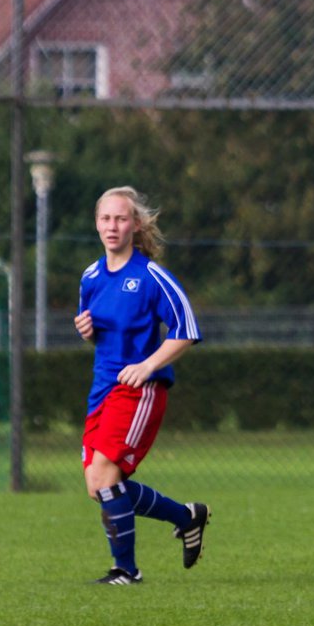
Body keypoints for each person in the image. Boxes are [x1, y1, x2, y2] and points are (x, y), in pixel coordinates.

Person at [75, 186, 208, 585]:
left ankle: (126, 571)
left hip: (139, 390)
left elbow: (187, 330)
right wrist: (85, 331)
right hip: (103, 388)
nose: (112, 226)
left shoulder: (151, 276)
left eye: (120, 218)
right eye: (105, 218)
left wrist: (148, 365)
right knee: (98, 487)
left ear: (134, 224)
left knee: (105, 477)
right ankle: (187, 518)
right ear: (97, 224)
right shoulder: (91, 276)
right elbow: (96, 330)